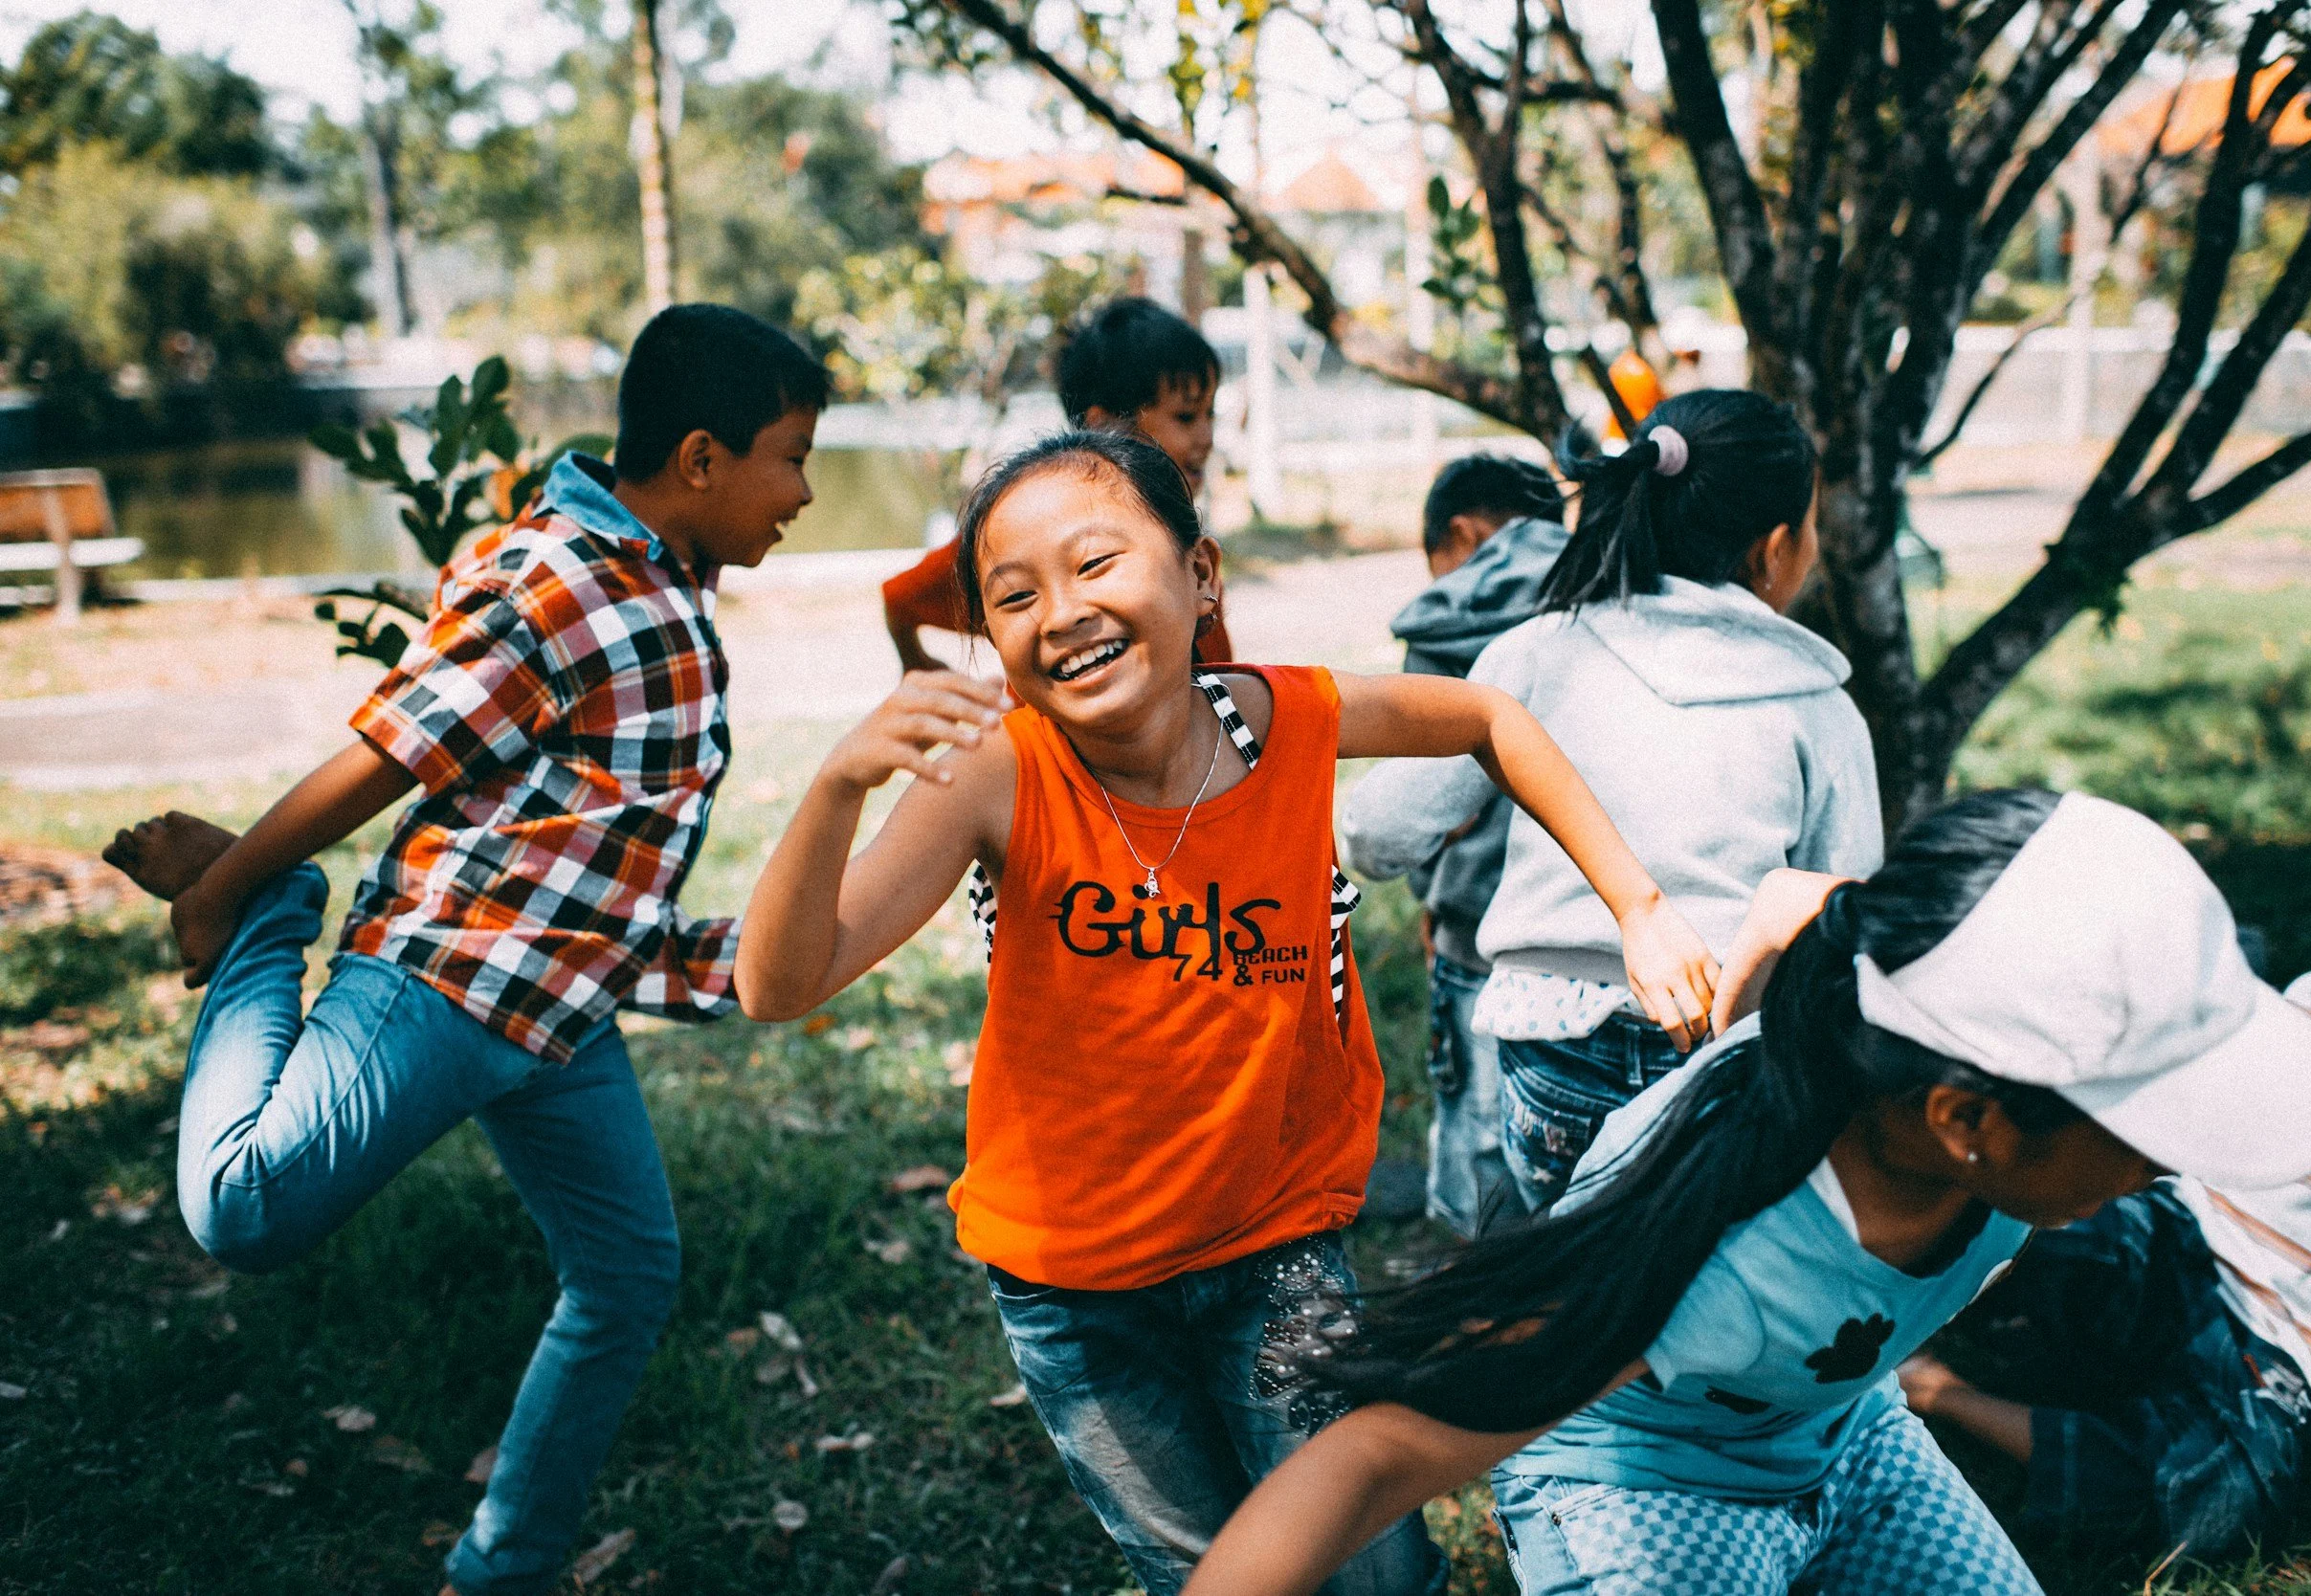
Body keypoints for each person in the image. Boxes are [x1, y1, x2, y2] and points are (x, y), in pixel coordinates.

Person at [734, 428, 1718, 1596]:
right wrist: (840, 786)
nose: (1062, 612)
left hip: (1274, 1250)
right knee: (1206, 1572)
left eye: (1096, 565)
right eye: (1014, 595)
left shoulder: (1289, 721)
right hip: (1074, 1290)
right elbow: (778, 985)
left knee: (1370, 1568)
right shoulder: (999, 774)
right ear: (988, 635)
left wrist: (1640, 905)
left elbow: (1492, 722)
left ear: (1200, 577)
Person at [1179, 788, 2311, 1596]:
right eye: (2146, 1127)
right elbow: (1378, 1455)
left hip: (1841, 1434)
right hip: (1643, 1488)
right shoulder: (1711, 1253)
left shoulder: (1898, 1011)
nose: (2169, 1163)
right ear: (1967, 1122)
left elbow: (1798, 905)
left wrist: (1742, 995)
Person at [100, 303, 827, 1596]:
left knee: (625, 1273)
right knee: (244, 1209)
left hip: (558, 1013)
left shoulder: (661, 580)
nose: (807, 492)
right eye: (792, 457)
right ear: (705, 459)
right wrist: (227, 889)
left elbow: (592, 838)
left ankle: (503, 1572)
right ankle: (282, 919)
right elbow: (392, 753)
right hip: (448, 977)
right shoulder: (560, 576)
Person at [1341, 390, 1882, 1216]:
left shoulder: (1534, 655)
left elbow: (1376, 831)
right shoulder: (1818, 704)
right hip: (1719, 1055)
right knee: (1672, 1285)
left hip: (1550, 1053)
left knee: (1559, 1273)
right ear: (1776, 549)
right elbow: (1842, 906)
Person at [1900, 814, 2311, 1563]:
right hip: (2172, 1234)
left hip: (2268, 1336)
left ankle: (1935, 1392)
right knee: (2034, 1197)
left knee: (2226, 1496)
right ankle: (1905, 1304)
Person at [1344, 454, 1568, 1238]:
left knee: (1476, 1140)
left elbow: (1409, 812)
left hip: (1476, 929)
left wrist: (1429, 896)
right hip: (1595, 942)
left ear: (1462, 535)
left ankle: (1464, 1286)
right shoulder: (1603, 597)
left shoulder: (1452, 620)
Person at [883, 296, 1233, 674]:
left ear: (1201, 568)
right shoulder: (1032, 531)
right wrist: (916, 663)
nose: (1207, 436)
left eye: (1209, 413)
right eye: (1185, 417)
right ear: (1106, 428)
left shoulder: (1180, 534)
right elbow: (902, 596)